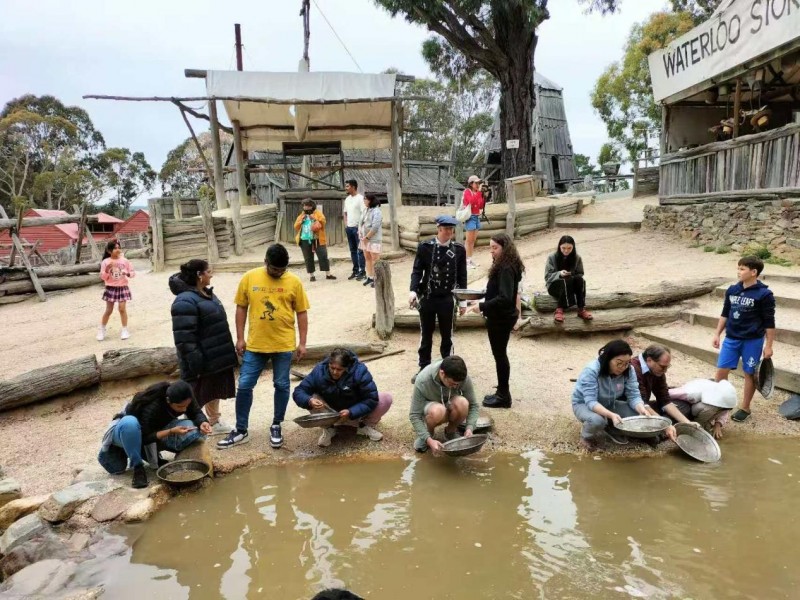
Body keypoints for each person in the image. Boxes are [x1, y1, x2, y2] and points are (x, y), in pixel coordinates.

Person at [218, 243, 310, 450]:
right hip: (255, 345)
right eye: (275, 269)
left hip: (284, 345)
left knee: (282, 385)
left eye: (282, 270)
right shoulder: (249, 277)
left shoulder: (294, 282)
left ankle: (277, 424)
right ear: (265, 262)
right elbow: (241, 308)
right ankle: (241, 429)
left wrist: (302, 343)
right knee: (245, 385)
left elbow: (302, 312)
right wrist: (240, 338)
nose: (278, 273)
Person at [98, 380, 211, 488]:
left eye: (186, 405)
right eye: (180, 407)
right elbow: (143, 438)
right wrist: (171, 431)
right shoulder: (152, 406)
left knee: (193, 430)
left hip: (151, 434)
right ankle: (138, 467)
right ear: (168, 401)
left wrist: (203, 422)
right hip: (128, 437)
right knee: (130, 424)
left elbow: (195, 412)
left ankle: (148, 455)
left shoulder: (185, 396)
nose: (184, 409)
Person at [170, 259, 238, 435]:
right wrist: (195, 361)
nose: (211, 274)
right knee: (195, 396)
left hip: (214, 356)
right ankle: (191, 429)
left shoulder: (206, 293)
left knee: (213, 390)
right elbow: (184, 337)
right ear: (199, 275)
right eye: (208, 272)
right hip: (199, 359)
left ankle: (213, 422)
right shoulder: (184, 301)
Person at [712, 255, 776, 422]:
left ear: (754, 272)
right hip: (731, 338)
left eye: (742, 269)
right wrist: (717, 333)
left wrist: (768, 346)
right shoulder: (732, 290)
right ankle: (718, 404)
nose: (738, 272)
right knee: (720, 372)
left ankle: (745, 408)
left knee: (749, 374)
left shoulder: (765, 294)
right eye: (738, 268)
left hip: (753, 341)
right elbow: (725, 313)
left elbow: (769, 322)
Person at [466, 233, 523, 409]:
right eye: (490, 247)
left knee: (500, 355)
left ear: (504, 248)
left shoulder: (506, 267)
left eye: (495, 248)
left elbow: (505, 298)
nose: (492, 251)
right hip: (500, 315)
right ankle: (502, 392)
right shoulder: (505, 264)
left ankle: (503, 396)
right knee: (500, 355)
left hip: (501, 318)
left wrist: (482, 306)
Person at [292, 347, 393, 447]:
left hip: (355, 414)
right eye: (332, 368)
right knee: (313, 397)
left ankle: (364, 426)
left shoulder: (360, 371)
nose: (335, 372)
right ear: (328, 364)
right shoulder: (319, 370)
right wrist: (309, 400)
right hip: (330, 414)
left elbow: (371, 398)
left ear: (347, 367)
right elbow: (299, 391)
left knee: (386, 398)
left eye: (339, 369)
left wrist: (351, 412)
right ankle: (328, 428)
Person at [571, 339, 659, 451]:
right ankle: (586, 436)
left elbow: (633, 395)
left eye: (626, 363)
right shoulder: (592, 370)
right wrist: (611, 415)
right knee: (597, 421)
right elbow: (591, 402)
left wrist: (641, 408)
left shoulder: (629, 370)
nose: (623, 367)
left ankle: (611, 428)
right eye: (619, 363)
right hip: (583, 404)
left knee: (639, 415)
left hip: (610, 403)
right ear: (608, 359)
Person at [409, 215, 467, 383]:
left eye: (451, 229)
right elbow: (417, 271)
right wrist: (413, 290)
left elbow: (462, 276)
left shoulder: (458, 250)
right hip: (428, 297)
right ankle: (424, 368)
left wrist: (462, 301)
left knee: (447, 336)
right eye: (446, 229)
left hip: (447, 299)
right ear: (439, 229)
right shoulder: (425, 247)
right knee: (426, 335)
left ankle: (447, 369)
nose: (449, 232)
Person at [409, 355, 479, 455]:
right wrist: (428, 440)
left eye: (457, 384)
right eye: (453, 383)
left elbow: (474, 405)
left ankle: (450, 432)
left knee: (463, 403)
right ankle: (428, 435)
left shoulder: (461, 377)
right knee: (438, 410)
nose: (456, 386)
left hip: (449, 403)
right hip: (430, 407)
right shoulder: (423, 379)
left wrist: (470, 428)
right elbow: (414, 415)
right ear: (442, 373)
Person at [629, 344, 679, 439]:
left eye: (667, 367)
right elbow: (641, 403)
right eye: (662, 367)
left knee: (683, 407)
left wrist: (687, 423)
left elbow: (664, 399)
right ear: (649, 360)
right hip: (635, 408)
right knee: (654, 435)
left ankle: (662, 429)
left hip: (646, 406)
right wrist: (665, 424)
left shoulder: (658, 370)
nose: (665, 371)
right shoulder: (634, 369)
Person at [544, 235, 592, 323]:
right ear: (559, 247)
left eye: (569, 248)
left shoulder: (577, 258)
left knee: (580, 280)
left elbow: (580, 273)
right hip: (555, 287)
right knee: (566, 280)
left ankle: (581, 309)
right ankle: (559, 309)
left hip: (570, 287)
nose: (566, 251)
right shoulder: (552, 257)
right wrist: (559, 274)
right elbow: (547, 277)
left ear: (573, 247)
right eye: (563, 248)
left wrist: (571, 274)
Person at [97, 239, 135, 341]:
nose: (117, 250)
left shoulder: (125, 261)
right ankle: (102, 329)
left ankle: (124, 330)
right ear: (109, 251)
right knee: (109, 310)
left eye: (118, 247)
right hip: (110, 288)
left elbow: (132, 273)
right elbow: (103, 278)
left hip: (122, 287)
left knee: (122, 309)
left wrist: (126, 273)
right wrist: (106, 270)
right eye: (115, 248)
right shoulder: (105, 262)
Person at [294, 199, 336, 282]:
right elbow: (296, 226)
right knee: (308, 257)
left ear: (311, 206)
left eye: (306, 205)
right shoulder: (302, 215)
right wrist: (300, 221)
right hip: (305, 239)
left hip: (317, 239)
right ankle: (311, 275)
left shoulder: (318, 213)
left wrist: (314, 218)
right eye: (304, 205)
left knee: (323, 255)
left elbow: (323, 222)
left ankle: (328, 274)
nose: (305, 207)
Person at [358, 192, 383, 288]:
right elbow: (361, 222)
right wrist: (359, 231)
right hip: (364, 239)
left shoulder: (377, 211)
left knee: (375, 259)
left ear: (371, 200)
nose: (364, 201)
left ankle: (378, 279)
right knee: (367, 258)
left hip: (373, 239)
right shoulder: (365, 210)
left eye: (365, 199)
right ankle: (370, 277)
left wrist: (367, 237)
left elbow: (375, 226)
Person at [343, 179, 366, 281]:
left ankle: (362, 271)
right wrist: (346, 225)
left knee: (360, 250)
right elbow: (345, 213)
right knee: (352, 250)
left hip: (357, 228)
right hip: (349, 228)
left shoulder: (360, 199)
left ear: (353, 187)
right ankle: (355, 270)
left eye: (348, 186)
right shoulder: (347, 199)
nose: (346, 188)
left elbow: (364, 214)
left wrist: (360, 228)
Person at [461, 175, 485, 268]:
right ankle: (466, 261)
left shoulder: (477, 192)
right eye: (476, 183)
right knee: (469, 241)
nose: (478, 184)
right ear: (471, 184)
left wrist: (483, 196)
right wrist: (479, 193)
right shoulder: (467, 192)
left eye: (478, 183)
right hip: (470, 217)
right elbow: (470, 202)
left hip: (477, 217)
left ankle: (470, 259)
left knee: (473, 240)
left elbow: (480, 206)